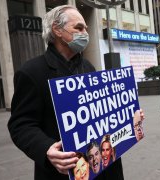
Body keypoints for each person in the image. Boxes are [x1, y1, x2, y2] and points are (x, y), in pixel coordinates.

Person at [7, 5, 123, 180]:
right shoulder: (31, 72)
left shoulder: (88, 68)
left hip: (101, 168)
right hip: (63, 172)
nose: (85, 33)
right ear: (57, 30)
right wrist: (46, 149)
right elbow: (21, 124)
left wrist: (127, 116)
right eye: (79, 28)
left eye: (86, 28)